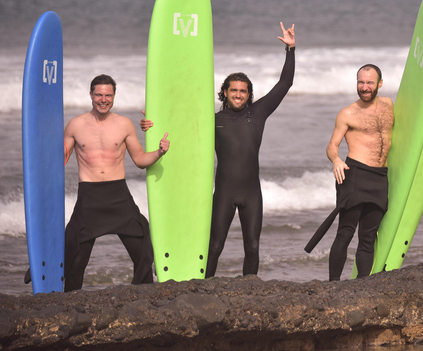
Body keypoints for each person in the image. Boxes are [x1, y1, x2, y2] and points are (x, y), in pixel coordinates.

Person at [144, 23, 296, 277]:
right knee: (214, 247)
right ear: (225, 92)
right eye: (233, 90)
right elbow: (180, 124)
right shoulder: (212, 120)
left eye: (243, 91)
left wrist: (290, 50)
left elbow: (285, 83)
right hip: (225, 192)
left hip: (252, 193)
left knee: (253, 247)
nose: (238, 94)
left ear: (249, 94)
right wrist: (152, 123)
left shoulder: (257, 114)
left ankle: (249, 289)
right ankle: (204, 288)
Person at [62, 74, 170, 291]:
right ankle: (69, 300)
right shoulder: (75, 125)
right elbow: (59, 160)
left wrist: (159, 152)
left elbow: (140, 160)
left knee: (142, 249)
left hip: (118, 195)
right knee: (75, 259)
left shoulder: (124, 124)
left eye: (108, 95)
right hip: (89, 198)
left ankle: (144, 296)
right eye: (99, 95)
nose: (103, 100)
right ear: (91, 95)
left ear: (114, 96)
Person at [304, 64, 394, 281]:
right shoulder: (348, 113)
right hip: (355, 175)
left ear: (380, 84)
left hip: (380, 176)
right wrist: (336, 160)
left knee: (368, 237)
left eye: (369, 82)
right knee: (345, 233)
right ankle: (334, 284)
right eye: (360, 82)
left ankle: (362, 284)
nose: (364, 87)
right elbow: (332, 145)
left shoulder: (388, 105)